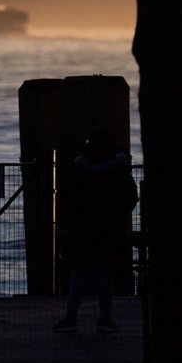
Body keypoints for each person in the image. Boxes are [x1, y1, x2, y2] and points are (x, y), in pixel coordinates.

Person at [52, 128, 137, 333]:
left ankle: (71, 317)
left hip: (82, 228)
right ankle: (105, 318)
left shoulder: (79, 167)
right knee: (104, 273)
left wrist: (67, 222)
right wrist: (118, 217)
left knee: (79, 272)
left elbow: (65, 195)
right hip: (109, 229)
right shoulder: (118, 169)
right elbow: (131, 197)